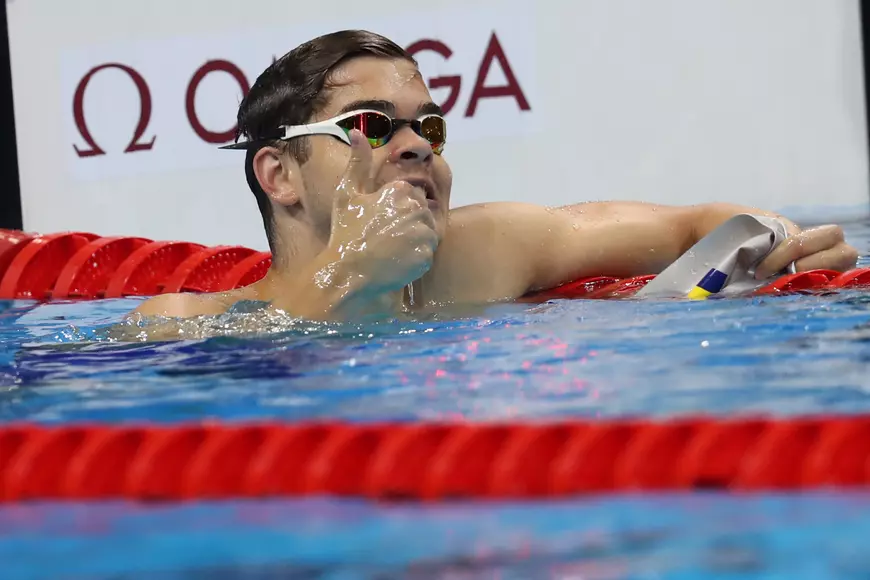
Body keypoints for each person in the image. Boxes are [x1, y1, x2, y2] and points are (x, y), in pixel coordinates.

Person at [133, 30, 858, 323]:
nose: (416, 145)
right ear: (278, 173)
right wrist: (350, 275)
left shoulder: (482, 252)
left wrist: (778, 240)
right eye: (373, 125)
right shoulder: (177, 325)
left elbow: (694, 226)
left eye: (429, 125)